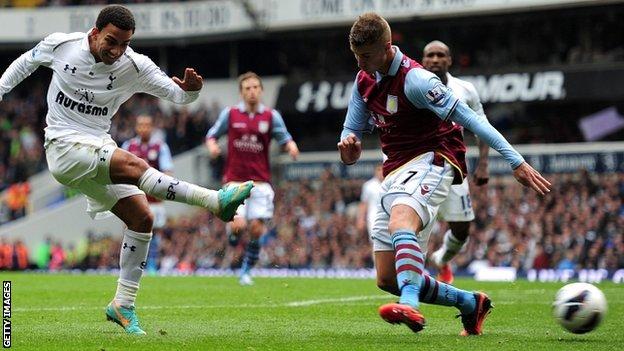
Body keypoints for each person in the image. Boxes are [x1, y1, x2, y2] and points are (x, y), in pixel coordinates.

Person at [0, 5, 253, 335]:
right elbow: (26, 62)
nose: (118, 51)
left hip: (95, 144)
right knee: (134, 164)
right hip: (62, 146)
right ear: (95, 33)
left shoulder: (134, 65)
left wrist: (192, 91)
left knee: (141, 218)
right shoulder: (62, 45)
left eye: (125, 43)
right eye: (112, 41)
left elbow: (178, 96)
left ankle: (123, 305)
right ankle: (215, 202)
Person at [338, 12, 551, 335]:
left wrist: (515, 161)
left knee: (401, 223)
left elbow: (473, 121)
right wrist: (348, 149)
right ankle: (470, 303)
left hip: (435, 159)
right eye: (355, 56)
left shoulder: (418, 80)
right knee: (387, 278)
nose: (359, 63)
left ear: (387, 47)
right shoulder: (364, 80)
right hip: (395, 168)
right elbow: (350, 132)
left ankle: (410, 303)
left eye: (365, 56)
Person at [206, 71, 299, 286]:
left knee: (256, 229)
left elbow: (284, 137)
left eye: (256, 87)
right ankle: (233, 235)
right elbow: (212, 135)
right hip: (235, 181)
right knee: (238, 226)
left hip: (261, 182)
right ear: (241, 92)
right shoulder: (230, 114)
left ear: (261, 90)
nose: (252, 92)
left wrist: (291, 147)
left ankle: (246, 271)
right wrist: (212, 146)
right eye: (247, 88)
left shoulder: (270, 116)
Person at [422, 40, 490, 284]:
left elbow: (481, 126)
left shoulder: (465, 89)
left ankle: (440, 260)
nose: (436, 59)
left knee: (462, 230)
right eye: (431, 55)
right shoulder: (412, 86)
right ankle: (411, 281)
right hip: (419, 168)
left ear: (449, 60)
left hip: (454, 168)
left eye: (441, 55)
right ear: (423, 60)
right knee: (415, 224)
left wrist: (483, 163)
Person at [122, 114, 173, 229]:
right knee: (133, 235)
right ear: (136, 127)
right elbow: (121, 172)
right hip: (133, 202)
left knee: (155, 236)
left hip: (154, 201)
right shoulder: (128, 146)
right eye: (141, 125)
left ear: (152, 127)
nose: (144, 129)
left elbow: (168, 171)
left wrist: (162, 190)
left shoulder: (160, 147)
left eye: (147, 126)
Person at [357, 163, 383, 241]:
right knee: (374, 241)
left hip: (388, 216)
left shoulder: (390, 183)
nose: (381, 172)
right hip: (373, 217)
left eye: (382, 169)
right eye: (379, 169)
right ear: (375, 171)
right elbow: (364, 203)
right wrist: (361, 219)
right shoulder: (368, 185)